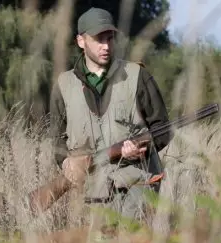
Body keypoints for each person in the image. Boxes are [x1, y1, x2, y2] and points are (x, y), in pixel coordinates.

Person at [48, 7, 173, 226]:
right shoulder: (63, 85)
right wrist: (68, 163)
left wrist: (141, 149)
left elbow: (162, 129)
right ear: (81, 41)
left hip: (137, 182)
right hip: (91, 190)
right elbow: (57, 141)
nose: (106, 45)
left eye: (110, 38)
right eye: (98, 39)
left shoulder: (137, 76)